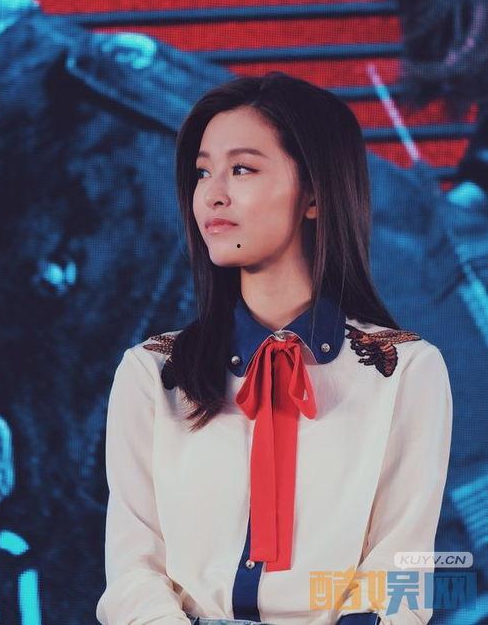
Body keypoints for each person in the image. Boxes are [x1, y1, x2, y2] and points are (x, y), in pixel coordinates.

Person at [95, 72, 453, 625]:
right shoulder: (153, 371)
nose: (212, 193)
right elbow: (132, 571)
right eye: (202, 172)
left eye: (242, 169)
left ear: (314, 194)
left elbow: (403, 572)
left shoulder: (404, 370)